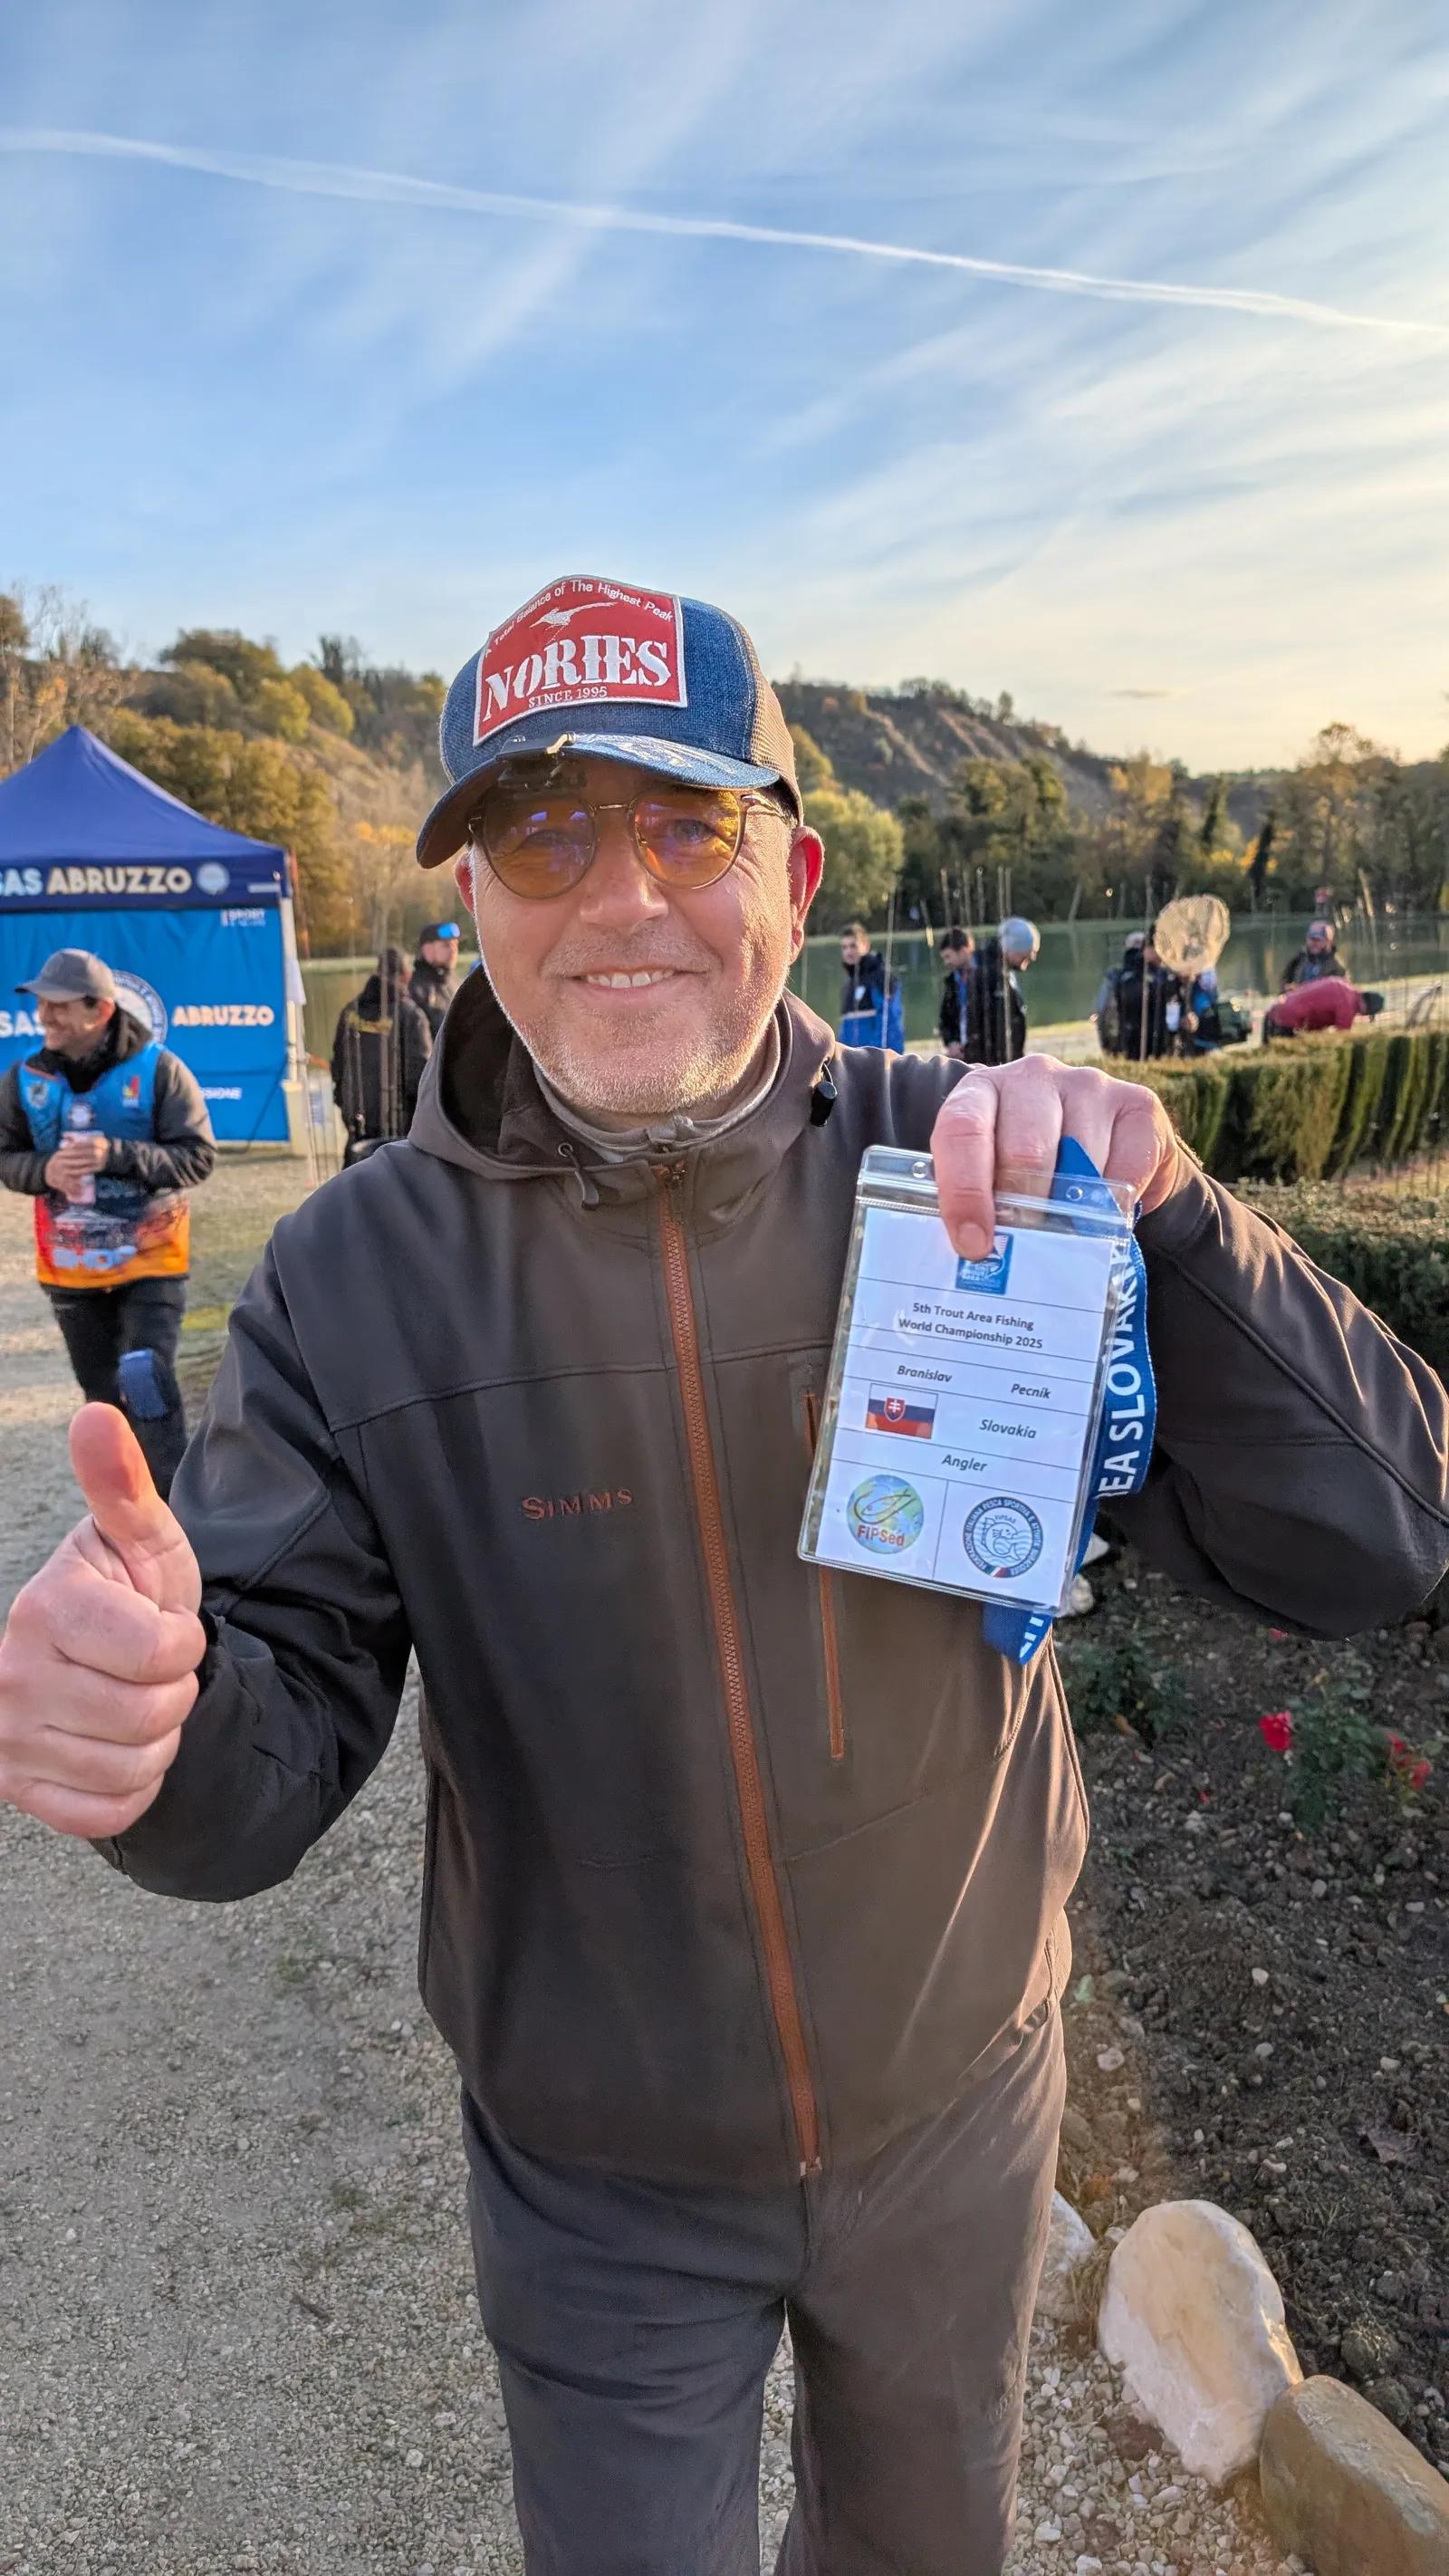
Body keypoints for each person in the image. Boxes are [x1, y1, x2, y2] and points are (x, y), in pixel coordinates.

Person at [3, 574, 1446, 2576]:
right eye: (542, 833)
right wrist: (155, 1727)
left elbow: (1375, 1537)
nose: (620, 896)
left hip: (960, 2106)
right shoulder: (349, 1277)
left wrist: (1175, 1215)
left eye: (689, 824)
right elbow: (266, 1756)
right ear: (471, 899)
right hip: (594, 2176)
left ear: (796, 871)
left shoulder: (980, 1174)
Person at [0, 947, 214, 1496]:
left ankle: (178, 1511)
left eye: (58, 1005)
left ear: (99, 1009)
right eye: (41, 1004)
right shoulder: (23, 1078)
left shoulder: (160, 1069)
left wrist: (114, 1154)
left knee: (143, 1378)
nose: (44, 1016)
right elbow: (5, 1156)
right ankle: (123, 1515)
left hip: (151, 1261)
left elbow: (197, 1157)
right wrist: (44, 1170)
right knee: (102, 1405)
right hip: (69, 1269)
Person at [330, 946, 432, 1164]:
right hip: (399, 1135)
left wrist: (344, 1102)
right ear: (406, 976)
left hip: (357, 1125)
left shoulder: (350, 1011)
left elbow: (337, 1065)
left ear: (376, 972)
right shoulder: (412, 1016)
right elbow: (421, 1079)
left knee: (356, 1180)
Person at [1096, 931, 1180, 1062]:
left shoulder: (1115, 976)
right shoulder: (1163, 977)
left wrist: (1107, 1047)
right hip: (1158, 1047)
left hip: (1124, 1046)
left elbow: (1102, 1012)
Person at [973, 915, 1039, 1063]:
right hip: (991, 1063)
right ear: (1012, 948)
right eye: (1028, 952)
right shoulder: (987, 973)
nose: (1032, 957)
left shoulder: (1004, 971)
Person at [838, 921, 904, 1053]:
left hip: (874, 1058)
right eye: (844, 947)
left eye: (853, 946)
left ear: (866, 946)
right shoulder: (848, 984)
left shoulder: (881, 979)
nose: (848, 952)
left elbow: (891, 1021)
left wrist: (889, 1057)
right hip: (851, 1058)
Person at [1262, 976, 1385, 1039]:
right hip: (1288, 1021)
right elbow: (1342, 1038)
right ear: (1365, 1008)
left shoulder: (1342, 984)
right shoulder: (1348, 1007)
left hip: (1276, 1008)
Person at [409, 918, 463, 1037]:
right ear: (428, 950)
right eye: (446, 945)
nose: (454, 950)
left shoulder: (458, 983)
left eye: (456, 944)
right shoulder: (415, 990)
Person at [937, 926, 976, 1057]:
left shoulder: (987, 976)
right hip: (961, 1053)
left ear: (964, 951)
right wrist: (951, 1042)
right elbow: (945, 1019)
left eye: (948, 956)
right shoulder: (951, 982)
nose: (946, 962)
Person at [1281, 920, 1345, 988]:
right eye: (1312, 939)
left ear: (1329, 941)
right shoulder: (1298, 960)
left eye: (1318, 940)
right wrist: (1288, 988)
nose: (1314, 943)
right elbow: (1284, 982)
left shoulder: (1337, 966)